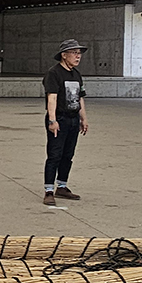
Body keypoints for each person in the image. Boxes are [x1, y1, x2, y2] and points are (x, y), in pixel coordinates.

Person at [42, 39, 91, 206]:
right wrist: (52, 120)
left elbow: (80, 98)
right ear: (64, 55)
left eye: (79, 53)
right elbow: (52, 98)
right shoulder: (54, 73)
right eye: (74, 53)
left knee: (68, 155)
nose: (78, 56)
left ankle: (62, 186)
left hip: (73, 119)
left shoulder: (76, 74)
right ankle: (49, 190)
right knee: (54, 155)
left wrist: (83, 118)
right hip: (60, 118)